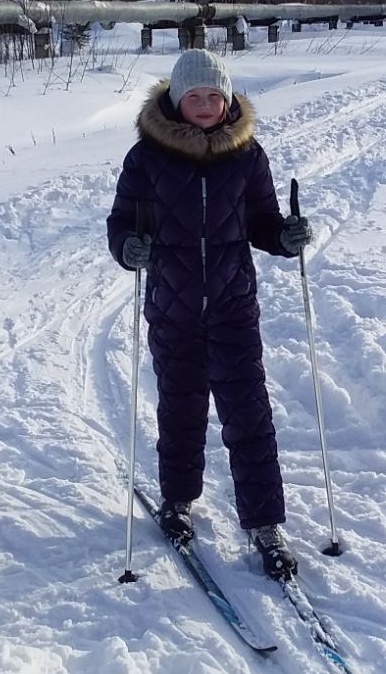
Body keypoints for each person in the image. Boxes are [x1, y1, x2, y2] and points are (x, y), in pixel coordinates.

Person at [107, 47, 311, 580]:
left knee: (249, 414)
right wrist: (128, 246)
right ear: (176, 100)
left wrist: (285, 237)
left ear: (227, 100)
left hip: (232, 308)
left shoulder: (247, 156)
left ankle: (265, 523)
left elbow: (262, 221)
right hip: (172, 309)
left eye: (213, 95)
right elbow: (121, 221)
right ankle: (177, 499)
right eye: (193, 95)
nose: (203, 104)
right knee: (181, 409)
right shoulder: (147, 158)